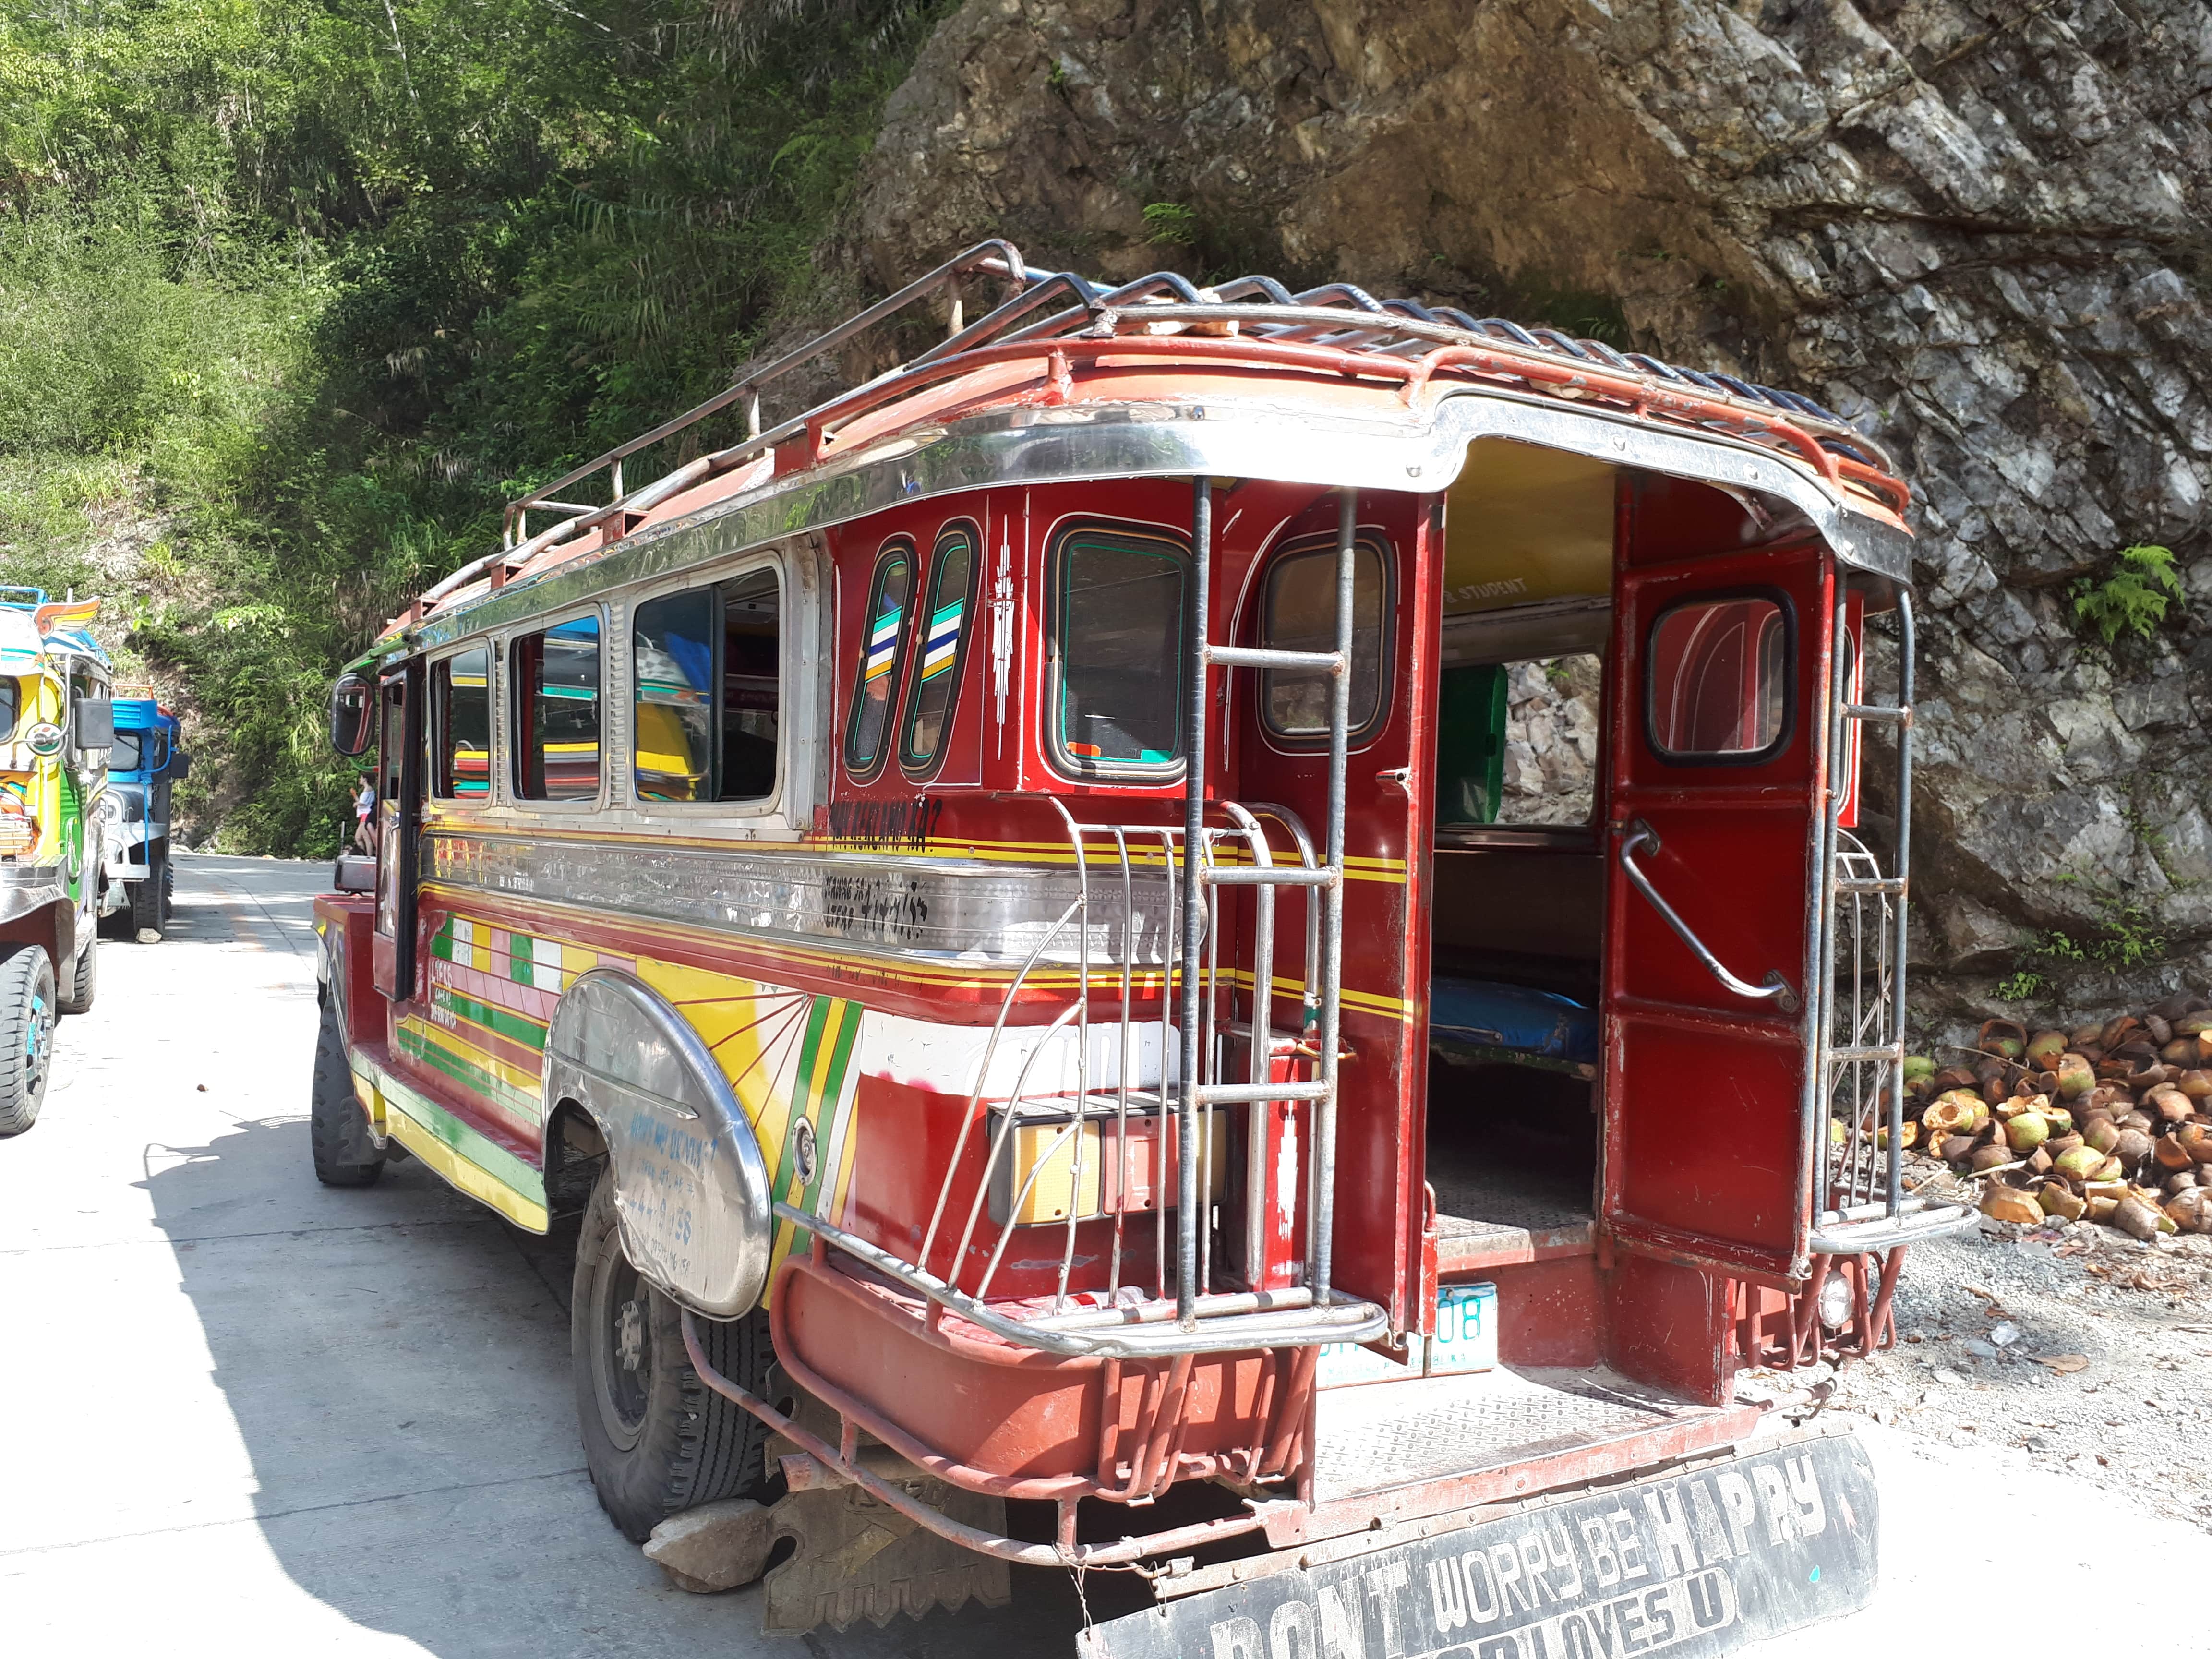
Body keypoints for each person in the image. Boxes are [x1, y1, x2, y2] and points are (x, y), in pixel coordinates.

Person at [352, 777, 376, 854]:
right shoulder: (367, 790)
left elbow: (363, 803)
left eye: (361, 778)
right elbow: (363, 802)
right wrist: (355, 796)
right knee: (358, 837)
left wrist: (356, 804)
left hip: (366, 815)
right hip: (364, 815)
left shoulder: (368, 789)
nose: (360, 780)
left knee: (366, 837)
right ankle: (363, 854)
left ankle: (368, 856)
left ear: (365, 779)